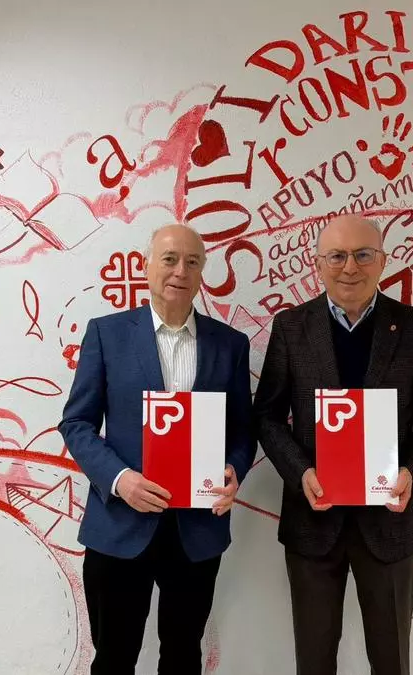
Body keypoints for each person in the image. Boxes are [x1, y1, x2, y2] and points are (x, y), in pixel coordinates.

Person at [252, 214, 413, 675]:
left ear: (382, 261)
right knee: (314, 662)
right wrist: (300, 471)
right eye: (337, 256)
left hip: (390, 522)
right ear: (318, 264)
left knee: (391, 661)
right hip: (313, 520)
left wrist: (411, 472)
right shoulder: (291, 327)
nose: (350, 267)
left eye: (363, 255)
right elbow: (267, 415)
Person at [58, 223, 257, 675]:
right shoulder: (106, 334)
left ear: (202, 272)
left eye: (192, 262)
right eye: (169, 259)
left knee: (184, 657)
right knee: (114, 659)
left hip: (197, 529)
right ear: (147, 265)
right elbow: (76, 423)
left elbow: (243, 429)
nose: (180, 270)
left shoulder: (231, 345)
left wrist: (234, 469)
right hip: (120, 524)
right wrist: (119, 480)